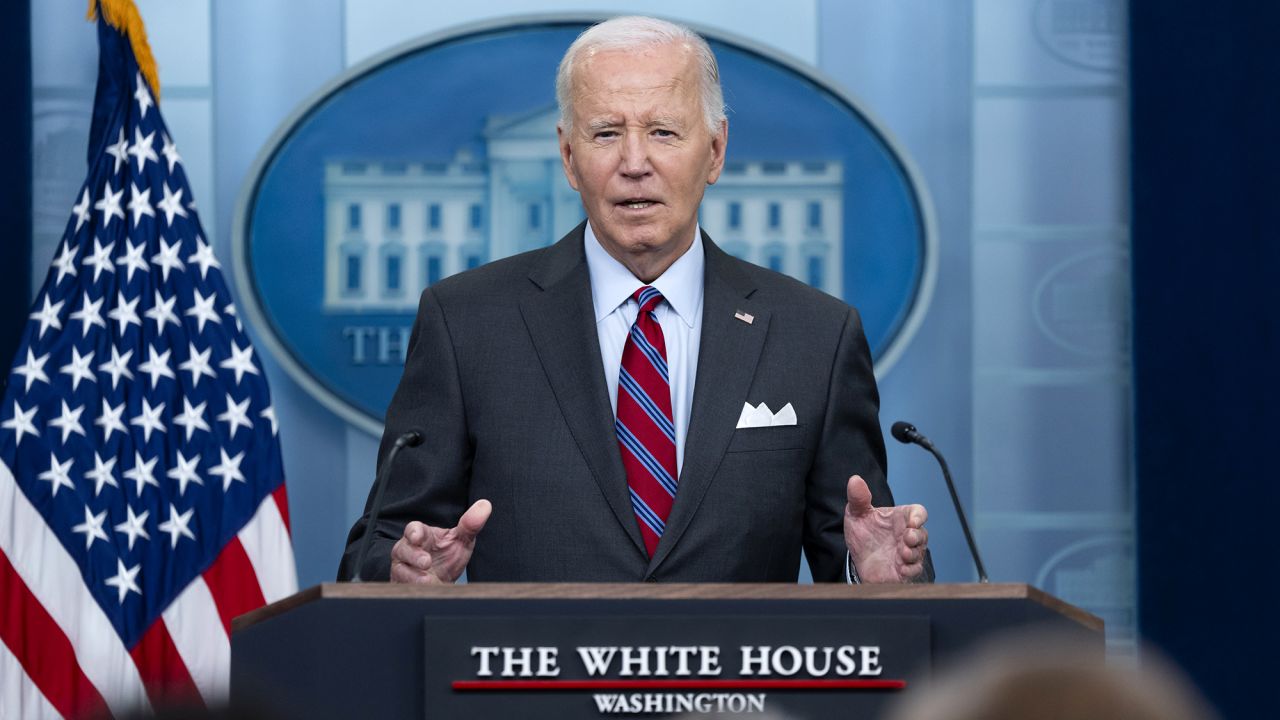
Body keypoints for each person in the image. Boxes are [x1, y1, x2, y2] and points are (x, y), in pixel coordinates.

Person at [337, 16, 931, 584]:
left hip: (738, 688)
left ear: (716, 152)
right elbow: (380, 543)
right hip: (530, 686)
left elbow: (862, 549)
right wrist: (401, 568)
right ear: (569, 157)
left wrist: (875, 575)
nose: (635, 163)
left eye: (664, 132)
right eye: (606, 133)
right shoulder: (467, 323)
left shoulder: (815, 336)